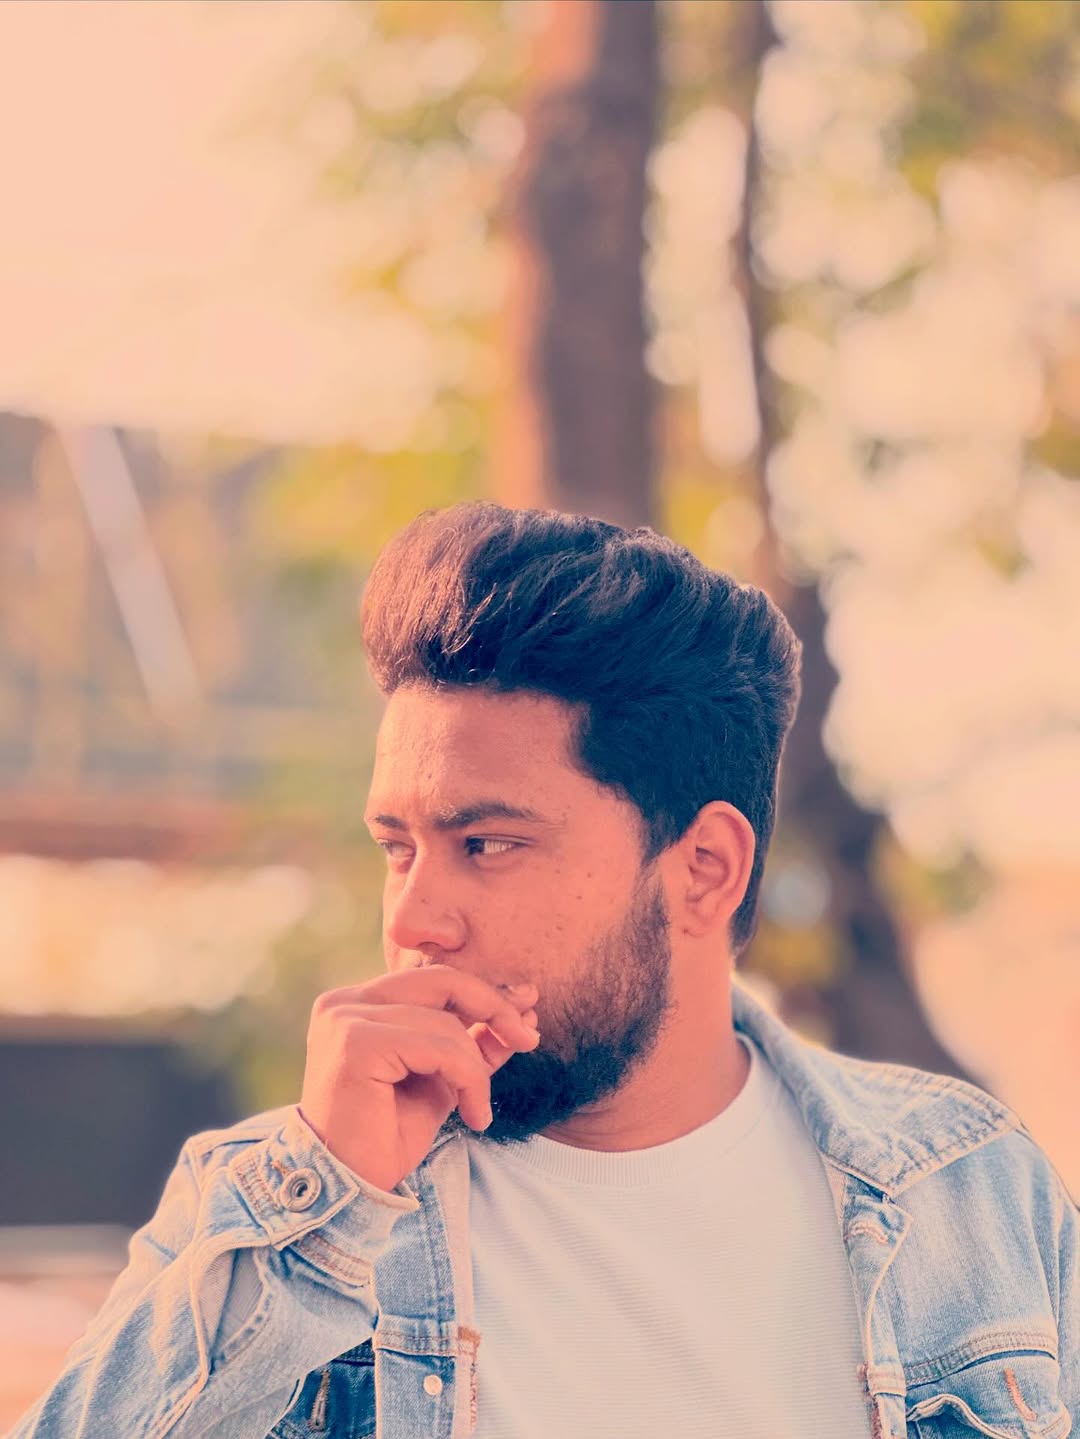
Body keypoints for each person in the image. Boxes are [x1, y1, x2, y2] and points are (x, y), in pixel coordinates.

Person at [11, 502, 1077, 1439]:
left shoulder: (970, 1190)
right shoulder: (271, 1214)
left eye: (487, 843)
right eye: (398, 846)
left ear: (703, 869)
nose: (413, 917)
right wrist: (321, 1206)